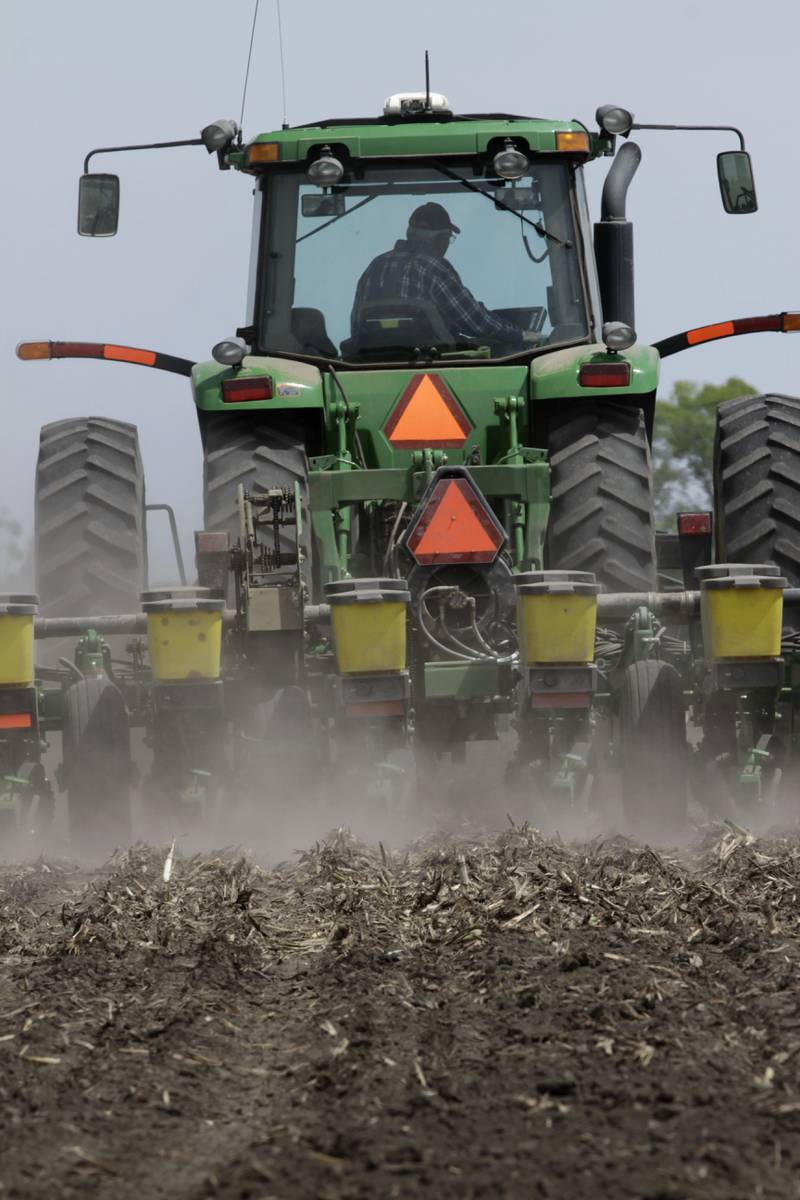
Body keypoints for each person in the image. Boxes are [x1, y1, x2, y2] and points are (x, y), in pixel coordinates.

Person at [350, 202, 522, 346]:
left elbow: (356, 326)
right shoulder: (434, 266)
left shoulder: (375, 266)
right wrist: (518, 333)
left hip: (371, 361)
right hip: (432, 361)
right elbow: (473, 321)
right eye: (448, 238)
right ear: (439, 239)